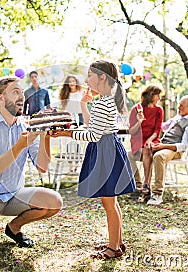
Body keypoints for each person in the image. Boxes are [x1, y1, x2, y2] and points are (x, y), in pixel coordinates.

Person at [0, 76, 63, 261]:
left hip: (14, 195)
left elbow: (42, 167)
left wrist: (44, 136)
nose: (22, 97)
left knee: (54, 201)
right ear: (1, 98)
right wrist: (19, 146)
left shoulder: (26, 128)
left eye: (22, 92)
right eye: (15, 92)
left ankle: (13, 227)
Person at [49, 60, 135, 259]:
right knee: (111, 202)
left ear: (102, 77)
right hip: (109, 148)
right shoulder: (106, 101)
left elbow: (92, 135)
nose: (86, 80)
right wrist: (83, 104)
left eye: (89, 76)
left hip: (105, 152)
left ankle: (113, 249)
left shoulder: (103, 103)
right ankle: (117, 242)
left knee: (109, 203)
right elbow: (92, 125)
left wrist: (65, 134)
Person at [146, 95, 188, 205]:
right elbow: (163, 127)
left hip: (175, 151)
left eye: (181, 106)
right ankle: (142, 187)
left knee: (158, 156)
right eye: (179, 105)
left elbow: (184, 145)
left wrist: (162, 147)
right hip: (163, 146)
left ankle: (157, 194)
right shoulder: (178, 117)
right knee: (138, 152)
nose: (178, 107)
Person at [128, 85, 164, 195]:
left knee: (147, 148)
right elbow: (132, 131)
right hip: (138, 141)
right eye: (157, 95)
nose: (159, 98)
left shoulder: (159, 110)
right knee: (135, 152)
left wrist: (150, 140)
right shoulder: (136, 109)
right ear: (150, 95)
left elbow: (157, 131)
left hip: (152, 140)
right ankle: (140, 184)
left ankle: (146, 184)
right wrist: (139, 121)